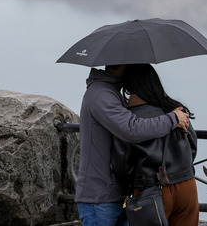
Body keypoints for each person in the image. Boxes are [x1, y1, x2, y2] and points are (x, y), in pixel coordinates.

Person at [76, 63, 191, 226]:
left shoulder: (111, 92)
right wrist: (172, 119)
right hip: (100, 198)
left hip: (113, 195)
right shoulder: (101, 94)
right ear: (122, 63)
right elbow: (132, 129)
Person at [111, 63, 200, 226]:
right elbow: (192, 146)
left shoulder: (128, 119)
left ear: (128, 86)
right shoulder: (176, 110)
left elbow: (121, 166)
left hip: (150, 189)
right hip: (187, 184)